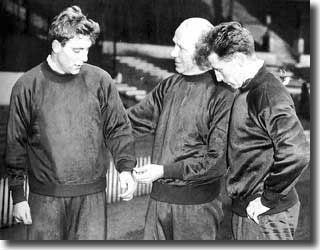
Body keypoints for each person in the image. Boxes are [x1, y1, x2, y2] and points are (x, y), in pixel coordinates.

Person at [5, 5, 137, 240]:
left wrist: (125, 169)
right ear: (56, 46)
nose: (84, 57)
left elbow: (118, 128)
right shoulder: (27, 86)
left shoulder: (100, 80)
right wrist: (18, 196)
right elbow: (16, 144)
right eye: (77, 50)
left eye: (87, 49)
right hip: (45, 200)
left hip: (92, 200)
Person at [197, 21, 310, 240]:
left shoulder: (267, 92)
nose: (218, 77)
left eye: (219, 69)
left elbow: (297, 152)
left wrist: (269, 198)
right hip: (250, 211)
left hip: (266, 216)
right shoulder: (246, 89)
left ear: (238, 59)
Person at [127, 18, 235, 240]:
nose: (172, 53)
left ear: (202, 52)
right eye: (173, 44)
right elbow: (130, 123)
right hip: (158, 204)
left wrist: (164, 171)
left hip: (197, 209)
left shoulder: (222, 95)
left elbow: (216, 162)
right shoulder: (169, 86)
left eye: (180, 48)